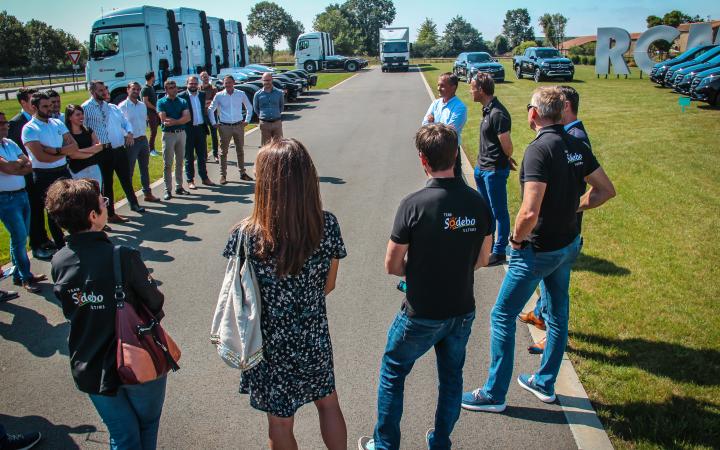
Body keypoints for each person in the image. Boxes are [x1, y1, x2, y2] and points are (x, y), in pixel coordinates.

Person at [461, 87, 615, 412]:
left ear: (534, 114)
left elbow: (529, 212)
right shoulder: (576, 145)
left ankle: (493, 394)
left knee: (501, 314)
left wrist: (515, 241)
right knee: (558, 315)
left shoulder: (538, 150)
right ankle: (544, 383)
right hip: (568, 244)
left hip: (538, 250)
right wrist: (576, 207)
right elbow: (605, 190)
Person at [358, 124, 493, 450]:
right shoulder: (478, 203)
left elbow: (392, 265)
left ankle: (386, 445)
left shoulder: (413, 205)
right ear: (456, 154)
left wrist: (418, 271)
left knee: (393, 371)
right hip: (461, 310)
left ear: (423, 160)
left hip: (420, 312)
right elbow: (484, 259)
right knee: (451, 380)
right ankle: (440, 442)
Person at [222, 138, 347, 449]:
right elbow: (328, 285)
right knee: (328, 403)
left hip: (267, 341)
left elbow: (240, 295)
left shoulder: (246, 235)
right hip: (313, 332)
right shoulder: (326, 225)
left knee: (279, 421)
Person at [47, 178, 167, 450]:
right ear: (92, 215)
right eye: (103, 201)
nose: (106, 203)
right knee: (145, 425)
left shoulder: (59, 261)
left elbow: (68, 308)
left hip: (89, 362)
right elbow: (155, 302)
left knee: (122, 435)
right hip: (137, 356)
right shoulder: (122, 255)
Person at [520, 85, 593, 354]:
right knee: (553, 288)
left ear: (565, 108)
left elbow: (588, 186)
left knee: (503, 313)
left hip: (557, 233)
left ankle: (549, 334)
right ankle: (541, 315)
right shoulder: (569, 137)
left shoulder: (574, 139)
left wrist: (573, 206)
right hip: (561, 231)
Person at [21, 91, 78, 250]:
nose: (49, 109)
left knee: (72, 207)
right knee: (53, 213)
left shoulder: (57, 123)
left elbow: (74, 146)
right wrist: (61, 153)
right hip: (44, 175)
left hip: (63, 171)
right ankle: (61, 246)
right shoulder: (29, 129)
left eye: (50, 105)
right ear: (34, 107)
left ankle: (75, 240)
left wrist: (54, 151)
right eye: (44, 106)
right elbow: (40, 157)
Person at [82, 80, 144, 222]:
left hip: (118, 149)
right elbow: (83, 128)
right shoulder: (86, 108)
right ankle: (110, 213)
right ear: (92, 92)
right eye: (100, 91)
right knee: (107, 183)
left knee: (126, 178)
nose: (104, 93)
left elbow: (125, 122)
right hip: (102, 151)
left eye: (105, 90)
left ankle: (134, 204)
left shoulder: (111, 107)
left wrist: (129, 132)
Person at [470, 72, 515, 267]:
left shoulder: (498, 114)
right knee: (486, 211)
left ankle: (499, 251)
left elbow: (508, 147)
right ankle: (487, 245)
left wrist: (506, 159)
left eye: (472, 87)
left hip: (493, 171)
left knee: (499, 212)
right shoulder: (488, 110)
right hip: (482, 169)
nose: (470, 91)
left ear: (481, 89)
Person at [0, 111, 47, 294]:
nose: (5, 126)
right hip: (5, 198)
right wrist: (15, 165)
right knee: (19, 237)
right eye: (1, 123)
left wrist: (15, 166)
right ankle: (26, 276)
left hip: (21, 194)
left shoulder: (10, 143)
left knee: (20, 237)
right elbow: (9, 167)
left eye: (5, 123)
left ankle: (19, 275)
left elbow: (28, 165)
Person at [8, 87, 53, 260]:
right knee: (33, 211)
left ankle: (44, 239)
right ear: (23, 103)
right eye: (32, 100)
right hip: (27, 175)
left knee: (43, 208)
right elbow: (18, 154)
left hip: (41, 172)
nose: (35, 104)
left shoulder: (44, 121)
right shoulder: (17, 124)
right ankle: (36, 245)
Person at [208, 75, 254, 184]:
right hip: (224, 126)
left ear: (234, 82)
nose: (228, 84)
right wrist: (214, 123)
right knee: (223, 152)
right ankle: (223, 175)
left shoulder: (240, 94)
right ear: (223, 84)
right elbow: (211, 109)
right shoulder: (219, 95)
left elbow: (249, 107)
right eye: (226, 83)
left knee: (240, 150)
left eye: (229, 82)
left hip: (239, 125)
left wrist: (247, 120)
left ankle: (242, 173)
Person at [120, 82, 160, 203]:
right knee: (130, 170)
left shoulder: (142, 105)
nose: (136, 91)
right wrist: (127, 135)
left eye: (138, 89)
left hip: (143, 139)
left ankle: (147, 193)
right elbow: (120, 125)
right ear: (128, 90)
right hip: (131, 141)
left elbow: (143, 121)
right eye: (133, 89)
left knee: (144, 168)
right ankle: (131, 197)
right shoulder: (122, 106)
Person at [421, 73, 467, 178]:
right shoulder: (435, 104)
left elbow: (449, 132)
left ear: (453, 87)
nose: (438, 88)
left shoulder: (460, 107)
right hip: (433, 150)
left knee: (453, 185)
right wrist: (435, 124)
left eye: (442, 86)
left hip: (450, 153)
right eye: (438, 85)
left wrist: (432, 123)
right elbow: (424, 124)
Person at [178, 76, 215, 189]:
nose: (193, 85)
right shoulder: (182, 97)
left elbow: (205, 110)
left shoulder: (202, 95)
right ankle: (190, 180)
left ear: (197, 84)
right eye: (191, 83)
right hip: (188, 130)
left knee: (202, 155)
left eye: (195, 83)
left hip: (200, 129)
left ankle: (204, 178)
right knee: (189, 156)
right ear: (187, 84)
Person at [157, 80, 190, 200]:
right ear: (166, 90)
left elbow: (187, 117)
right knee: (168, 164)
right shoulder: (161, 102)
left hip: (181, 134)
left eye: (174, 87)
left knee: (180, 162)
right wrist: (180, 119)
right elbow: (164, 120)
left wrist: (175, 121)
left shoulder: (182, 101)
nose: (174, 89)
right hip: (168, 135)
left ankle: (179, 186)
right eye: (171, 88)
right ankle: (167, 190)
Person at [64, 104, 104, 185]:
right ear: (70, 117)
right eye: (78, 115)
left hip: (93, 168)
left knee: (97, 194)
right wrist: (92, 152)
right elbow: (73, 155)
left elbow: (99, 147)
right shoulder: (67, 134)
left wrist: (79, 151)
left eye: (82, 114)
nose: (81, 116)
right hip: (78, 171)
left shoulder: (88, 130)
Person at [253, 72, 284, 146]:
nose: (267, 82)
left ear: (272, 80)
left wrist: (276, 114)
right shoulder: (258, 94)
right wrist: (263, 116)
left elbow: (281, 107)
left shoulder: (279, 93)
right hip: (264, 124)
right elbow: (256, 108)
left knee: (279, 146)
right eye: (265, 80)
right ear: (262, 81)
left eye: (269, 80)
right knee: (266, 147)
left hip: (277, 123)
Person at [200, 71, 219, 163]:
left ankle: (215, 154)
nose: (205, 78)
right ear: (201, 78)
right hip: (202, 116)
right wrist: (206, 102)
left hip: (212, 115)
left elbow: (214, 101)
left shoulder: (213, 88)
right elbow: (198, 102)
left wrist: (205, 103)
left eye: (206, 76)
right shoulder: (198, 89)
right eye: (203, 77)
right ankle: (204, 155)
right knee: (203, 135)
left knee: (214, 135)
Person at [142, 71, 161, 157]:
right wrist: (155, 108)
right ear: (152, 77)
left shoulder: (151, 87)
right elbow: (145, 101)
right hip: (150, 113)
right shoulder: (145, 88)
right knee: (153, 131)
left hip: (154, 112)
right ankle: (151, 149)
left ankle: (153, 148)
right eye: (154, 76)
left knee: (155, 131)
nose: (155, 78)